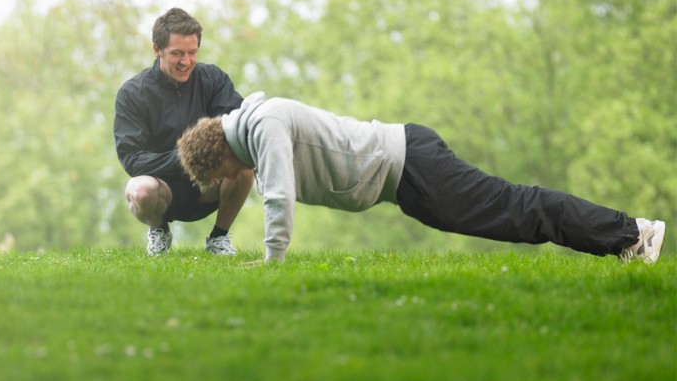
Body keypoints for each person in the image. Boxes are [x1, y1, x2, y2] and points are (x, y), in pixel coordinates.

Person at [177, 92, 666, 264]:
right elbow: (274, 180)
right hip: (406, 172)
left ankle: (634, 234)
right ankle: (625, 238)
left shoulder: (263, 127)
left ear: (220, 153)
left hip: (410, 166)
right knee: (516, 212)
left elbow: (280, 197)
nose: (232, 181)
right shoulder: (255, 125)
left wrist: (272, 261)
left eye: (222, 175)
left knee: (518, 209)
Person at [114, 8, 254, 255]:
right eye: (177, 53)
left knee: (243, 164)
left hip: (209, 185)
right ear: (157, 49)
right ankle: (158, 231)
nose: (186, 62)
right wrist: (186, 157)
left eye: (192, 53)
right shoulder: (132, 93)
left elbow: (236, 129)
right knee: (140, 190)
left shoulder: (214, 80)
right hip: (161, 187)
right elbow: (132, 159)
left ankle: (219, 238)